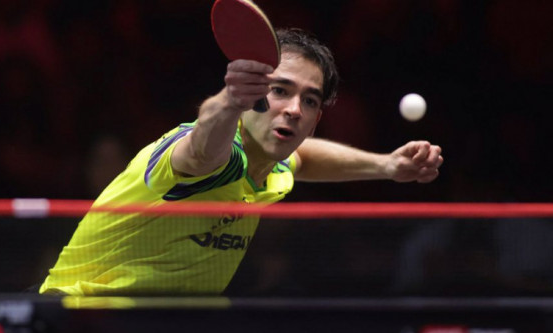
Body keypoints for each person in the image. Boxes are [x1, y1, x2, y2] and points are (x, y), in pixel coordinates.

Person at [40, 28, 443, 296]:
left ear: (317, 118)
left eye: (309, 100)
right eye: (280, 90)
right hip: (74, 324)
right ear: (251, 95)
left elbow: (304, 158)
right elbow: (202, 147)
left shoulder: (271, 168)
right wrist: (230, 100)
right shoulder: (210, 154)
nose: (294, 109)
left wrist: (386, 166)